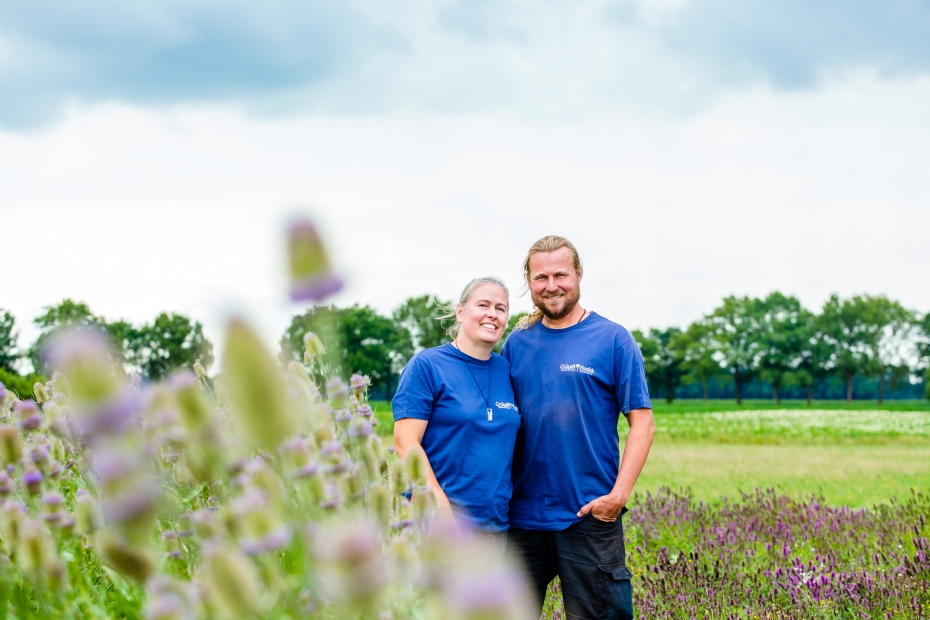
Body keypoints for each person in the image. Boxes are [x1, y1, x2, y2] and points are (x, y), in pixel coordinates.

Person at [502, 236, 656, 620]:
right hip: (522, 518)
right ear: (529, 281)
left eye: (560, 275)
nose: (551, 285)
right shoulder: (516, 343)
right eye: (541, 277)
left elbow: (643, 423)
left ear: (579, 275)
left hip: (589, 515)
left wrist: (617, 497)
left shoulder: (613, 339)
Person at [392, 277, 521, 539]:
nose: (492, 314)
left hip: (494, 527)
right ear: (460, 312)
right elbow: (405, 442)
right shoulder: (427, 365)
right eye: (483, 305)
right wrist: (440, 506)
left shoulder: (507, 370)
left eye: (500, 308)